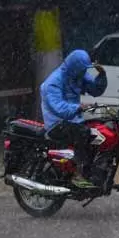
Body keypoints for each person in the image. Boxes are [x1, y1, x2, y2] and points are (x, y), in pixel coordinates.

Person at [41, 49, 107, 188]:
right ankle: (78, 173)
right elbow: (58, 108)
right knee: (83, 133)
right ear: (75, 67)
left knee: (100, 131)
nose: (84, 73)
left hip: (74, 120)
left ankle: (94, 171)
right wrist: (77, 107)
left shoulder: (78, 74)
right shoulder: (53, 82)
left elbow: (95, 90)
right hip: (56, 123)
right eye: (82, 69)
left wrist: (102, 75)